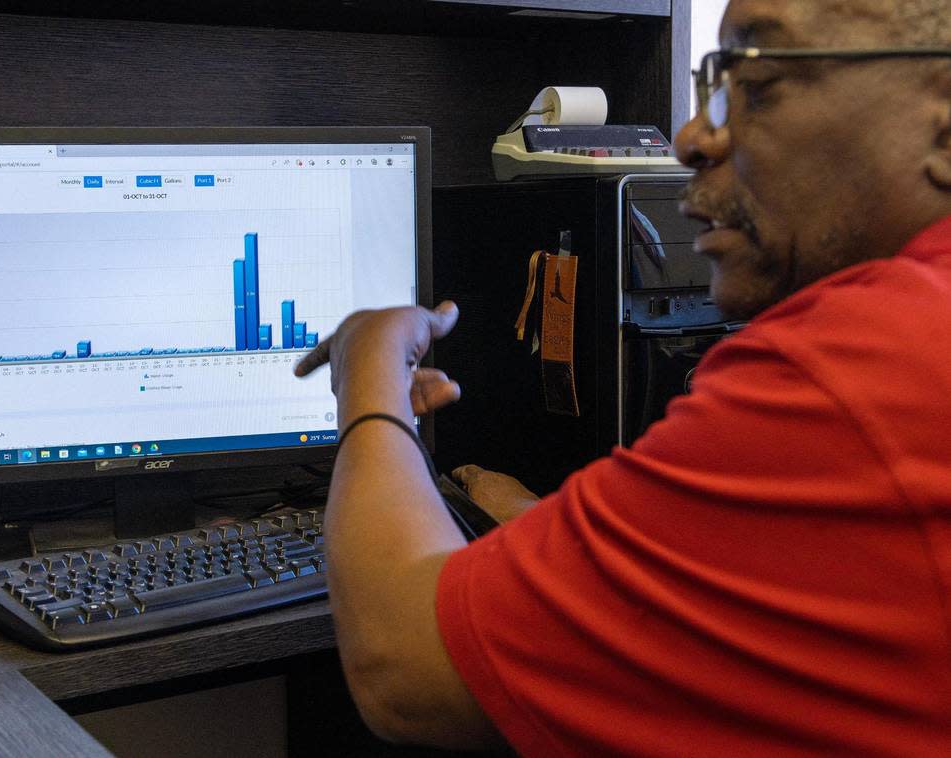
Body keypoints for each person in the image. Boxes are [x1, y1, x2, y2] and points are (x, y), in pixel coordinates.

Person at [293, 0, 951, 753]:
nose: (692, 137)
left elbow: (401, 668)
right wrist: (545, 531)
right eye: (713, 83)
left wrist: (368, 371)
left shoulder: (851, 369)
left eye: (759, 84)